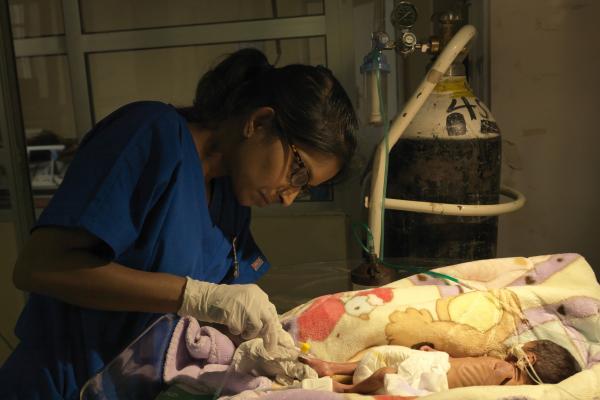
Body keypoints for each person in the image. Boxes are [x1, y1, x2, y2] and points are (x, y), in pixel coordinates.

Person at [0, 48, 358, 399]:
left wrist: (290, 361)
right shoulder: (150, 136)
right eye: (297, 171)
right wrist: (195, 296)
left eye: (304, 188)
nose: (289, 196)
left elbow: (218, 317)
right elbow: (38, 266)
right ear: (259, 122)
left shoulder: (230, 199)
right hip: (61, 384)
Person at [299, 339, 581, 396]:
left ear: (528, 360)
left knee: (384, 373)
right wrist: (437, 353)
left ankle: (345, 387)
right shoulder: (503, 368)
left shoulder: (506, 374)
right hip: (434, 363)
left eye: (525, 347)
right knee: (383, 355)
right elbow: (465, 364)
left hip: (429, 380)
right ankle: (331, 366)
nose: (516, 347)